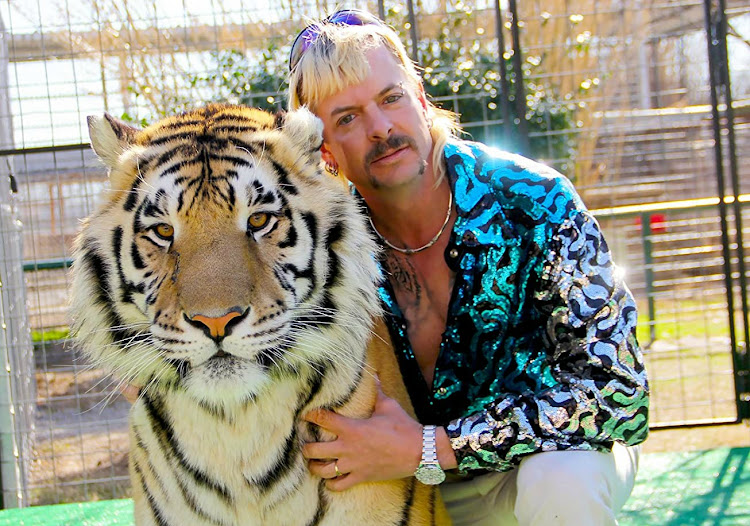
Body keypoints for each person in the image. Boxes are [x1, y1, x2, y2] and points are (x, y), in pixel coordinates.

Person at [288, 9, 649, 526]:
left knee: (562, 480)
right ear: (323, 149)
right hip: (408, 487)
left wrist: (432, 447)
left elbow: (618, 393)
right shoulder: (324, 251)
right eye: (348, 117)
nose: (382, 127)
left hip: (541, 464)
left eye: (391, 98)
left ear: (418, 93)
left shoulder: (535, 201)